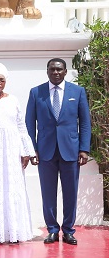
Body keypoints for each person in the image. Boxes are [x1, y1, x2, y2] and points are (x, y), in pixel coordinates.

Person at [25, 58, 91, 246]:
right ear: (47, 71)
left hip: (70, 150)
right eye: (52, 69)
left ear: (65, 71)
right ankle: (52, 229)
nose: (56, 72)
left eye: (59, 69)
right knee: (48, 192)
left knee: (71, 192)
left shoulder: (77, 91)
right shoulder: (36, 92)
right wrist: (32, 149)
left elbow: (85, 123)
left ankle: (69, 230)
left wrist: (84, 149)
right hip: (45, 151)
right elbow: (30, 123)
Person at [0, 63, 35, 244]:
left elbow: (21, 126)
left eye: (2, 80)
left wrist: (25, 151)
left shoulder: (13, 100)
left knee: (14, 188)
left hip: (12, 151)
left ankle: (15, 232)